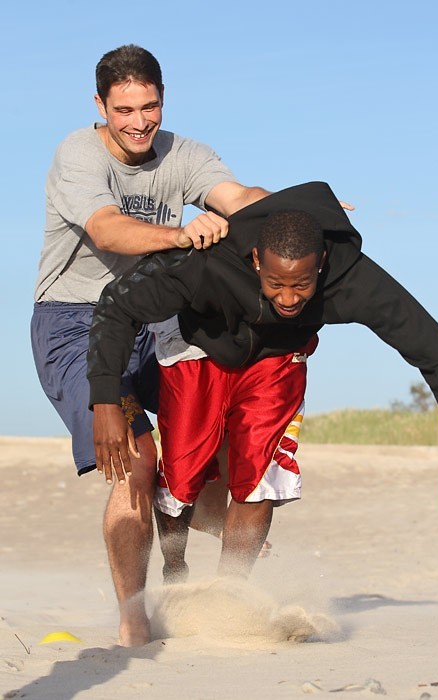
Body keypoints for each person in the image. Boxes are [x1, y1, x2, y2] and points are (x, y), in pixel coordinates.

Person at [87, 180, 438, 588]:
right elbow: (117, 307)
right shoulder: (204, 262)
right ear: (257, 260)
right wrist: (105, 401)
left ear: (320, 264)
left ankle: (229, 593)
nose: (287, 298)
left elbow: (436, 350)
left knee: (261, 479)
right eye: (276, 284)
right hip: (198, 344)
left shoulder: (354, 278)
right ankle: (175, 569)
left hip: (276, 356)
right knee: (182, 474)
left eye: (302, 285)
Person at [30, 43, 272, 647]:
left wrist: (293, 209)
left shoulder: (183, 153)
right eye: (125, 110)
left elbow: (235, 198)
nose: (140, 122)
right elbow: (108, 228)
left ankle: (226, 599)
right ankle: (135, 623)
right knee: (138, 462)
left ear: (164, 100)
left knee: (223, 455)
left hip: (158, 323)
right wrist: (181, 235)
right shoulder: (77, 154)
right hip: (75, 321)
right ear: (100, 106)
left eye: (151, 107)